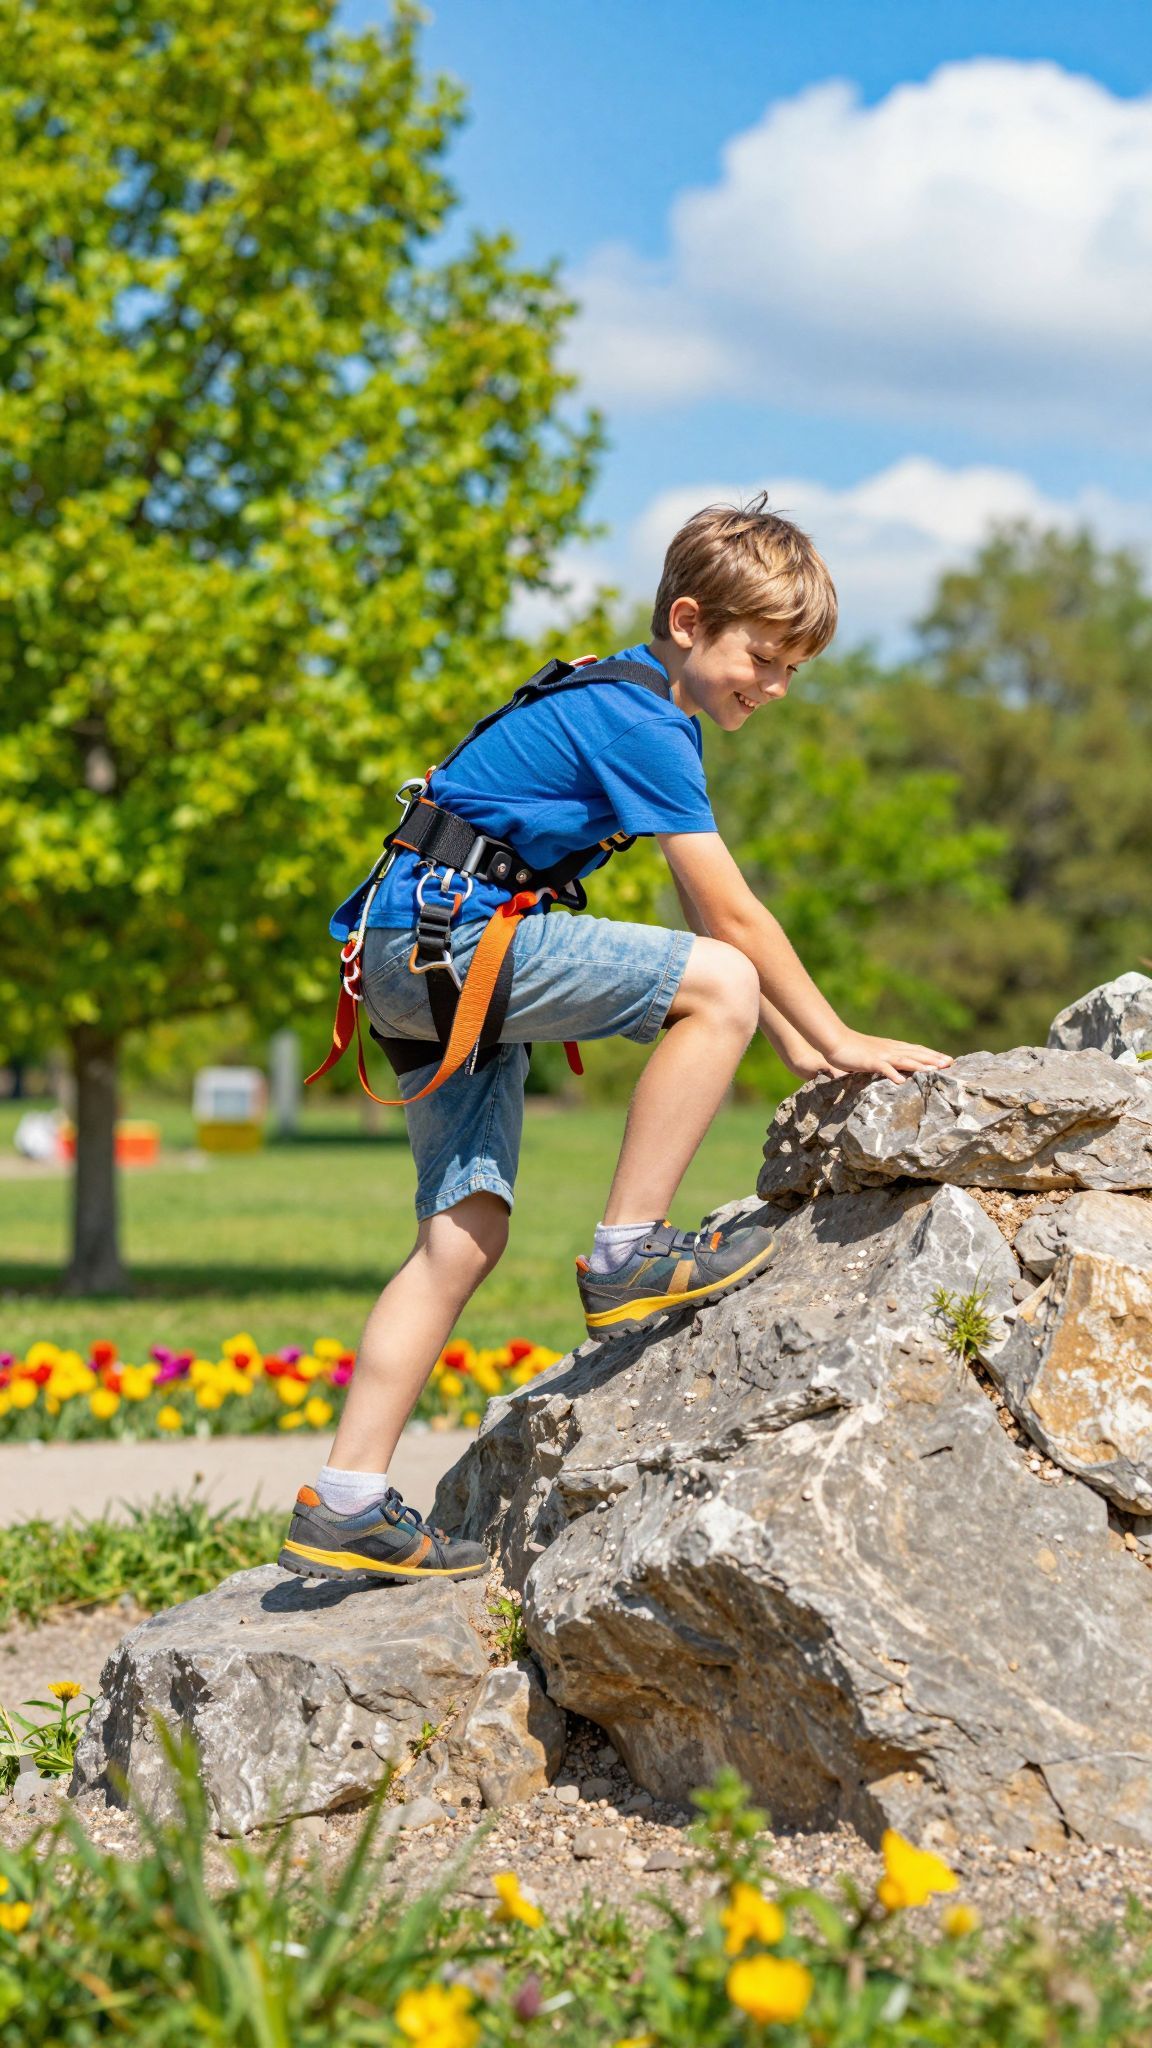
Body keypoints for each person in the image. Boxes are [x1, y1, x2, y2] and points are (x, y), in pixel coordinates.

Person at [278, 498, 953, 1585]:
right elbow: (728, 924)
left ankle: (346, 1496)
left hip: (414, 947)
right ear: (689, 621)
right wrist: (835, 1029)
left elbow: (704, 947)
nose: (773, 687)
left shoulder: (621, 695)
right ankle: (629, 1250)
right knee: (724, 974)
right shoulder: (643, 720)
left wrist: (791, 1040)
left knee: (462, 1233)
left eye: (791, 670)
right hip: (448, 940)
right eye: (762, 658)